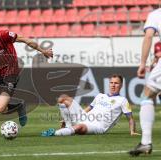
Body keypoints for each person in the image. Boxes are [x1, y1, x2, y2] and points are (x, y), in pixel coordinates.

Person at [41, 74, 139, 137]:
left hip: (98, 126)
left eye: (116, 83)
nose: (113, 85)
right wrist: (71, 116)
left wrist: (132, 131)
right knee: (63, 98)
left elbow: (130, 118)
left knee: (80, 127)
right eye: (111, 83)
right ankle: (68, 126)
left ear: (121, 85)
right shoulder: (100, 96)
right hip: (86, 117)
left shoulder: (122, 100)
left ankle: (55, 133)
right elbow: (88, 109)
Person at [129, 8, 161, 156]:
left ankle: (146, 142)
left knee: (147, 96)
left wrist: (142, 63)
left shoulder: (156, 14)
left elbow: (148, 36)